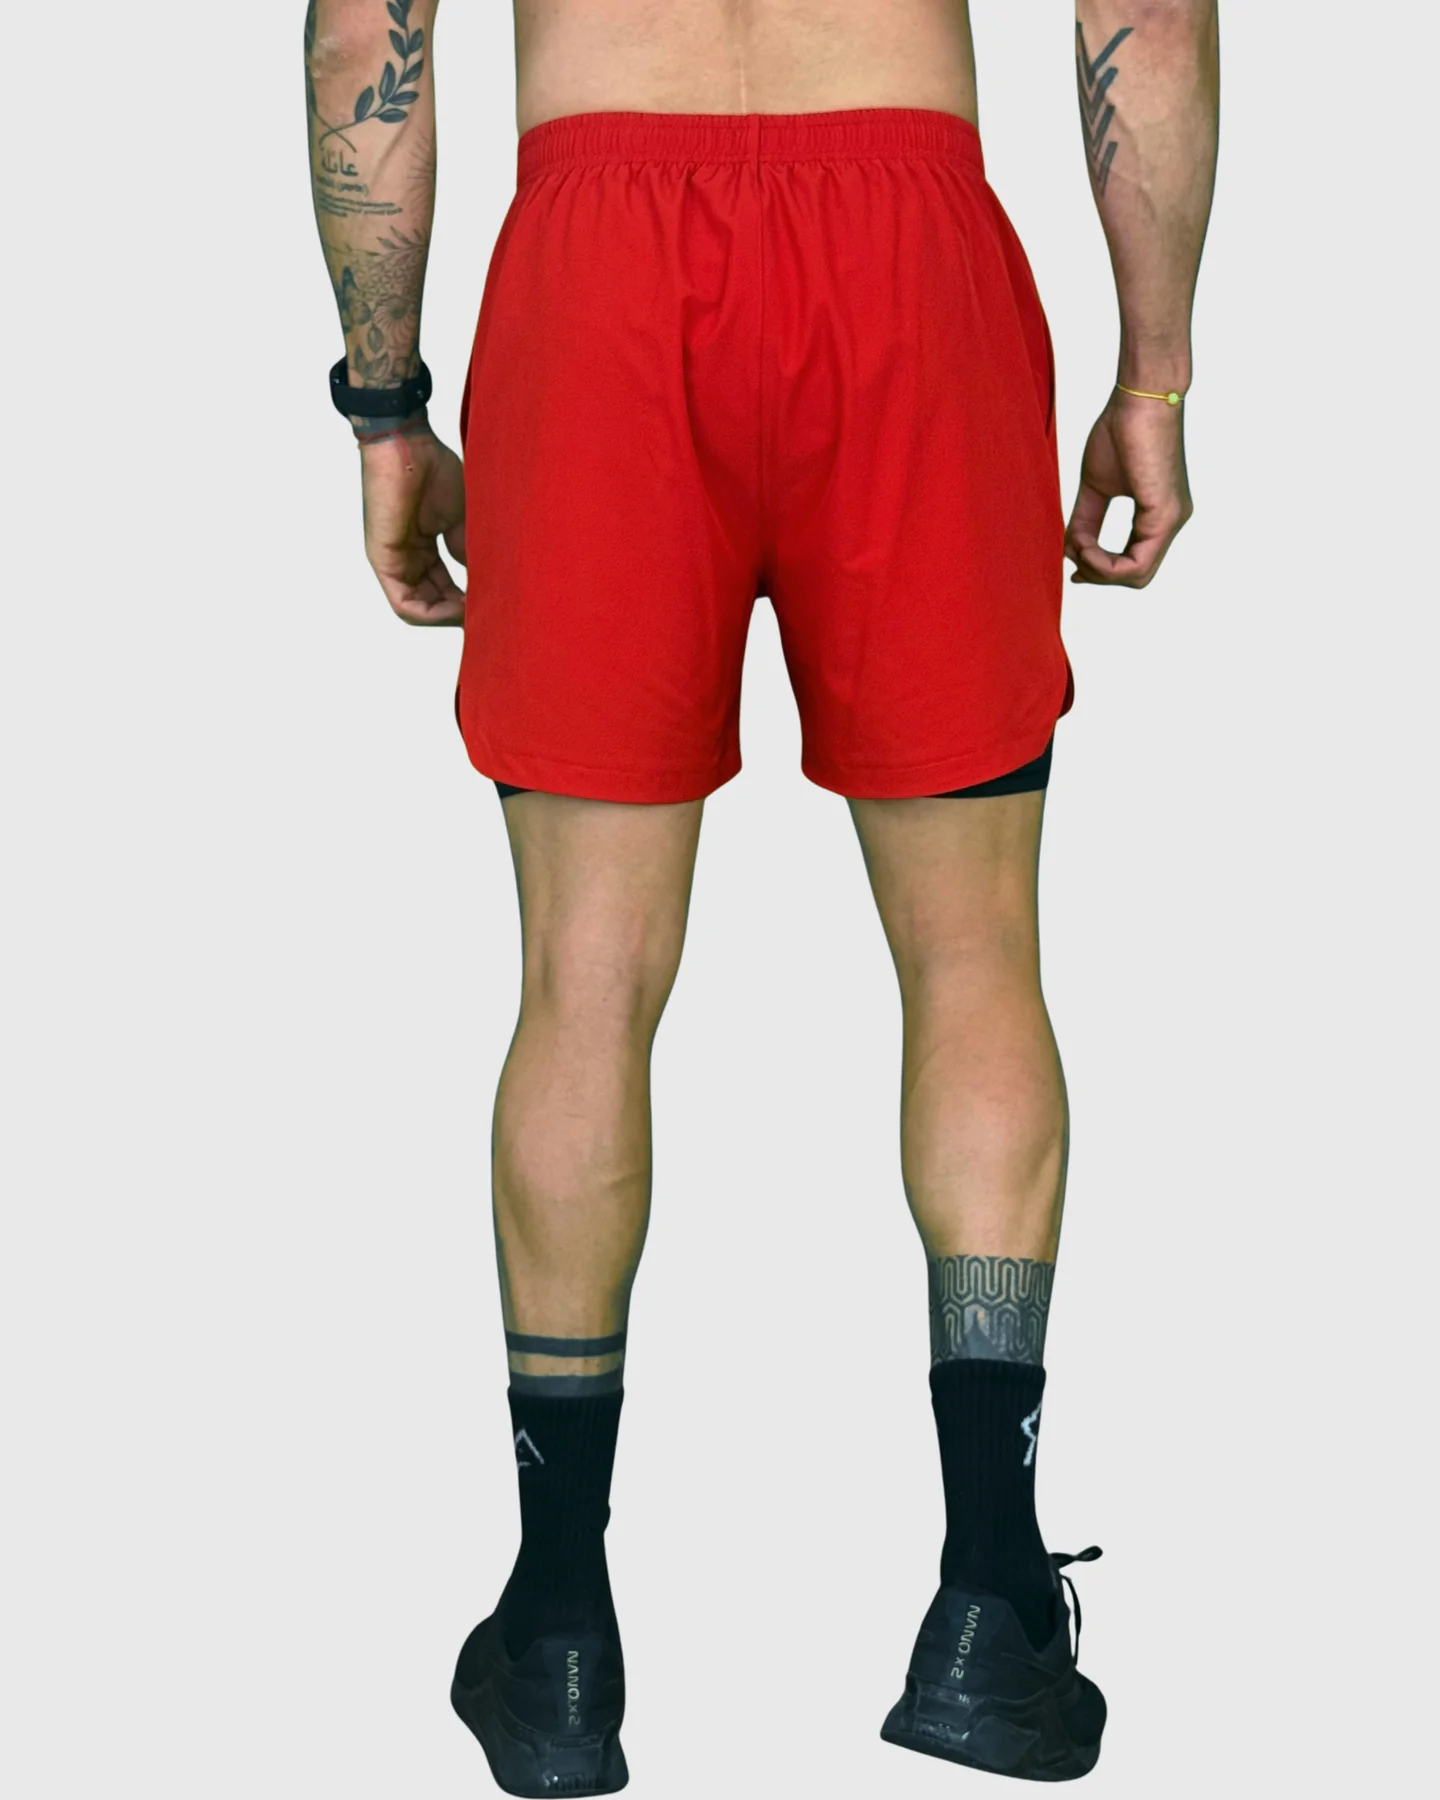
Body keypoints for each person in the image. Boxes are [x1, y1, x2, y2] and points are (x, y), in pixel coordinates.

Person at [306, 1, 1218, 1788]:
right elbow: (1152, 20)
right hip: (909, 261)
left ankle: (560, 1627)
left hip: (595, 272)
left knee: (584, 972)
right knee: (974, 953)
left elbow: (365, 34)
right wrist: (1154, 376)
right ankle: (991, 1599)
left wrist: (385, 403)